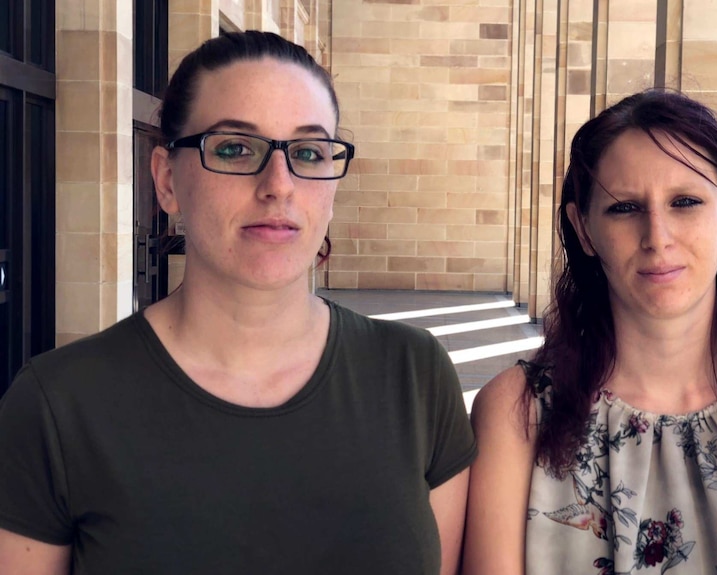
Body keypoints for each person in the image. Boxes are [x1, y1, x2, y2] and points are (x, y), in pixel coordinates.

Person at [0, 31, 475, 574]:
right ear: (166, 180)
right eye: (234, 148)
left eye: (309, 152)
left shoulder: (413, 375)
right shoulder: (57, 406)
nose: (279, 184)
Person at [462, 89, 717, 574]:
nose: (658, 237)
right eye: (625, 208)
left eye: (685, 201)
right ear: (583, 229)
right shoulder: (516, 414)